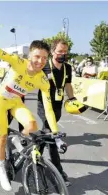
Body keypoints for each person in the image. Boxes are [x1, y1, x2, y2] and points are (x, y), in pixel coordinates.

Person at [0, 13, 59, 191]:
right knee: (2, 136)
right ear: (30, 55)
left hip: (15, 102)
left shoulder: (42, 79)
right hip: (0, 101)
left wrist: (56, 133)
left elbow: (49, 109)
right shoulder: (17, 61)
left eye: (45, 58)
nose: (40, 61)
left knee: (33, 125)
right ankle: (1, 170)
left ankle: (16, 139)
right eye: (37, 56)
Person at [37, 39, 76, 186]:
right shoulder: (44, 67)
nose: (63, 54)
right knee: (52, 137)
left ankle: (35, 156)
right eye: (60, 51)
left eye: (65, 52)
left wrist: (72, 98)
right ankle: (58, 173)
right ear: (53, 51)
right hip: (44, 106)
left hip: (58, 107)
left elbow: (67, 84)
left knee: (45, 133)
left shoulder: (68, 67)